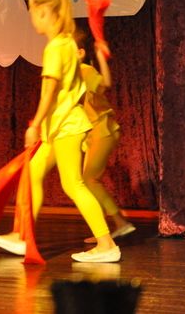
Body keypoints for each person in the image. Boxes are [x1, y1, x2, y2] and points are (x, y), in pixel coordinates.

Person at [0, 0, 120, 263]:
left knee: (73, 185)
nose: (33, 20)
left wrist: (34, 125)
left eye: (34, 14)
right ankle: (22, 236)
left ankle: (106, 244)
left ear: (47, 14)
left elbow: (49, 92)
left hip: (66, 126)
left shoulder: (56, 48)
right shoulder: (67, 43)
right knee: (32, 174)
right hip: (59, 126)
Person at [73, 28, 134, 243]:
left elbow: (105, 83)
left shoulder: (84, 70)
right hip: (94, 132)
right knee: (87, 181)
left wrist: (100, 57)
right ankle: (107, 230)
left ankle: (118, 224)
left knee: (88, 180)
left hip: (102, 129)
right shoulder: (73, 74)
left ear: (80, 53)